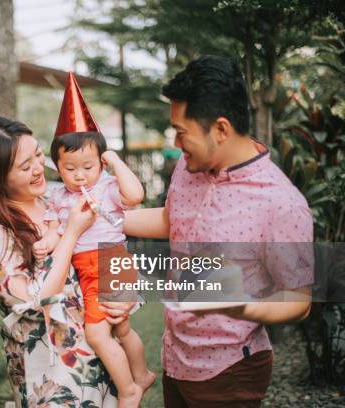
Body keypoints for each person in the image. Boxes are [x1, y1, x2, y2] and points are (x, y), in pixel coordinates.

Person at [123, 55, 313, 407]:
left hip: (231, 372)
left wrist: (242, 307)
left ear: (221, 129)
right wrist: (105, 218)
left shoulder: (281, 203)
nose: (176, 143)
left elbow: (299, 302)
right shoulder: (189, 164)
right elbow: (172, 219)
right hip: (176, 356)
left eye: (182, 132)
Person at [0, 115, 130, 407]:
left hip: (103, 358)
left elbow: (115, 230)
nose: (39, 168)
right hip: (53, 379)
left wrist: (122, 294)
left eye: (38, 155)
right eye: (25, 166)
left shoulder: (55, 198)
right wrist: (72, 232)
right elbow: (33, 301)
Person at [34, 73, 155, 408]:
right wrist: (46, 239)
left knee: (98, 334)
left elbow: (135, 196)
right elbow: (58, 228)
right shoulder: (59, 195)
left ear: (99, 161)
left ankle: (129, 388)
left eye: (88, 165)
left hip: (110, 260)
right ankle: (142, 374)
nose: (80, 175)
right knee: (122, 330)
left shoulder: (106, 186)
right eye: (70, 168)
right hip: (89, 266)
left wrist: (115, 162)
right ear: (57, 167)